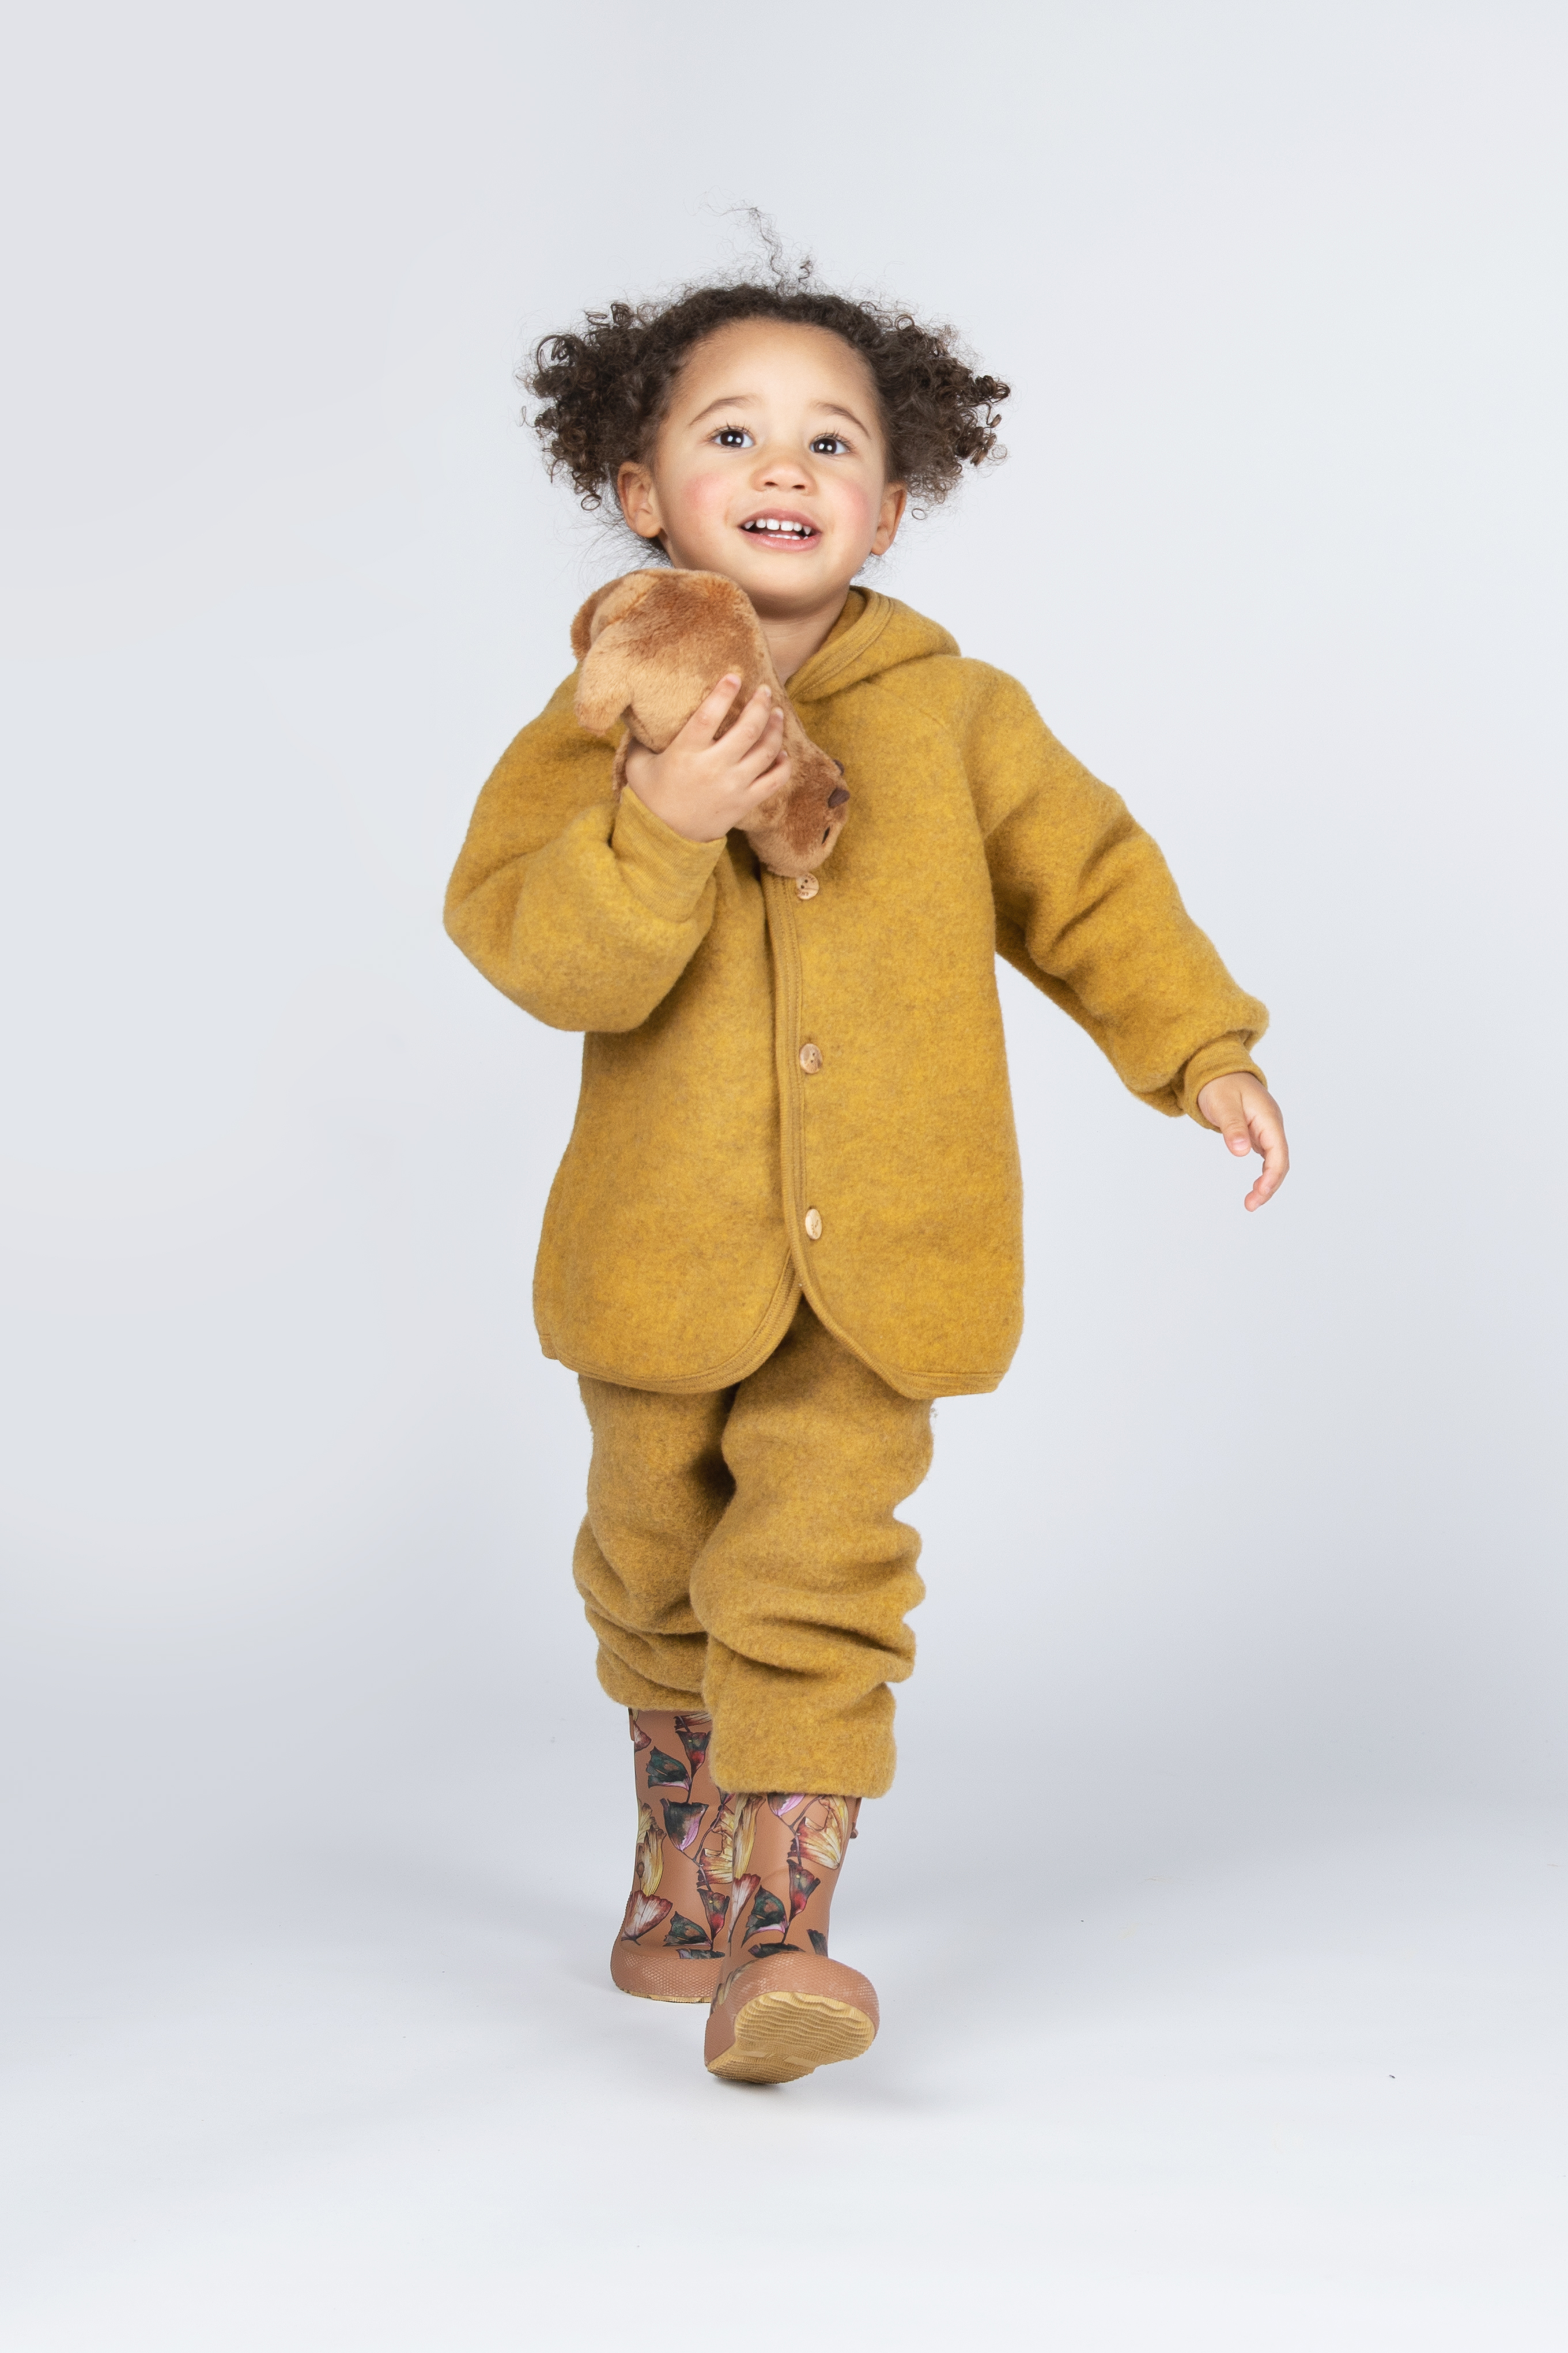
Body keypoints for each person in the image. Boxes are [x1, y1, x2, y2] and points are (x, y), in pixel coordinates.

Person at [444, 271, 1289, 2086]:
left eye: (830, 442)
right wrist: (661, 829)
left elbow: (1092, 886)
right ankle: (681, 1880)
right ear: (639, 491)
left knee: (819, 1573)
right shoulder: (599, 720)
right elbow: (533, 952)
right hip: (657, 1257)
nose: (783, 466)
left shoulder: (962, 715)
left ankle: (784, 1942)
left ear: (891, 505)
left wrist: (1199, 1047)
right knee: (653, 1566)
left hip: (888, 1261)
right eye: (730, 433)